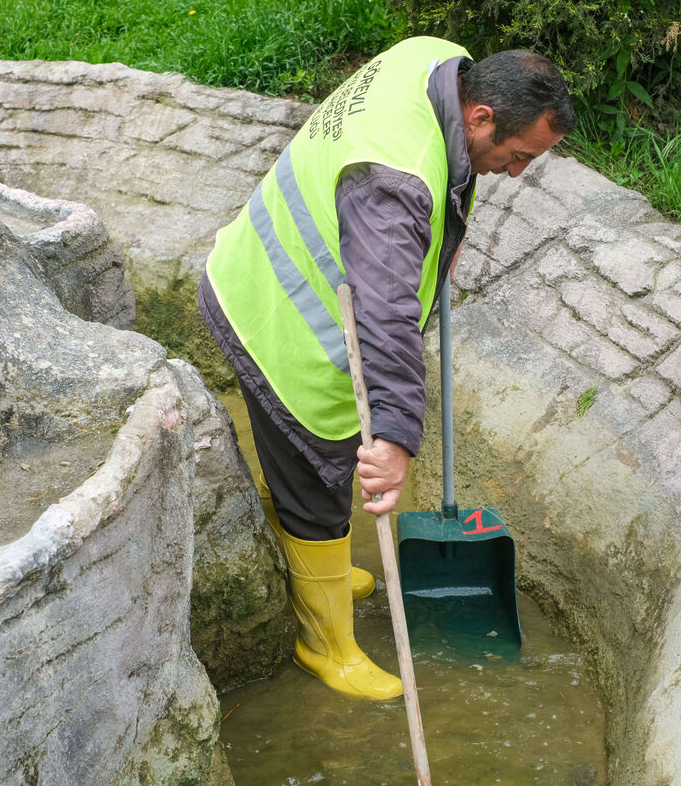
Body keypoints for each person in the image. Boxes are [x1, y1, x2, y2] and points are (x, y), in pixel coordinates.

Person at [198, 36, 575, 700]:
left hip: (280, 268)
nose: (515, 174)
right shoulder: (394, 180)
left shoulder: (438, 61)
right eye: (516, 158)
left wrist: (446, 233)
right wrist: (398, 437)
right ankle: (326, 645)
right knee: (316, 476)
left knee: (337, 461)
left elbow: (444, 182)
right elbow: (383, 315)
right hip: (279, 322)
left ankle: (328, 570)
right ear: (482, 115)